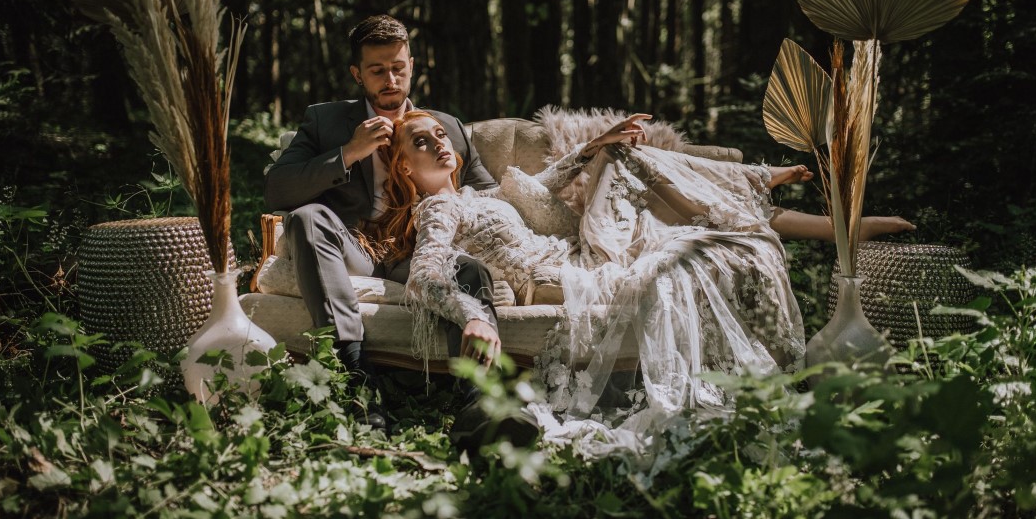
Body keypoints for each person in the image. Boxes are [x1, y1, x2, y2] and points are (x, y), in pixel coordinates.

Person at [376, 110, 913, 458]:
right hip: (568, 273)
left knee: (668, 191)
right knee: (633, 162)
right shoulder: (439, 208)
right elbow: (425, 273)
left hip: (585, 250)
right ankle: (779, 192)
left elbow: (550, 181)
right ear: (403, 167)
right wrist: (471, 312)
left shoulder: (485, 197)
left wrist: (596, 145)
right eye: (421, 142)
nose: (439, 143)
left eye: (441, 133)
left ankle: (824, 218)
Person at [263, 14, 516, 439]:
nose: (390, 79)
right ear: (357, 74)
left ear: (412, 66)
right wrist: (349, 151)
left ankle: (480, 402)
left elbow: (491, 197)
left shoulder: (446, 127)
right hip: (355, 250)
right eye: (377, 71)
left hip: (424, 250)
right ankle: (357, 378)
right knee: (307, 218)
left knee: (469, 269)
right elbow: (277, 190)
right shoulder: (326, 121)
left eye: (398, 68)